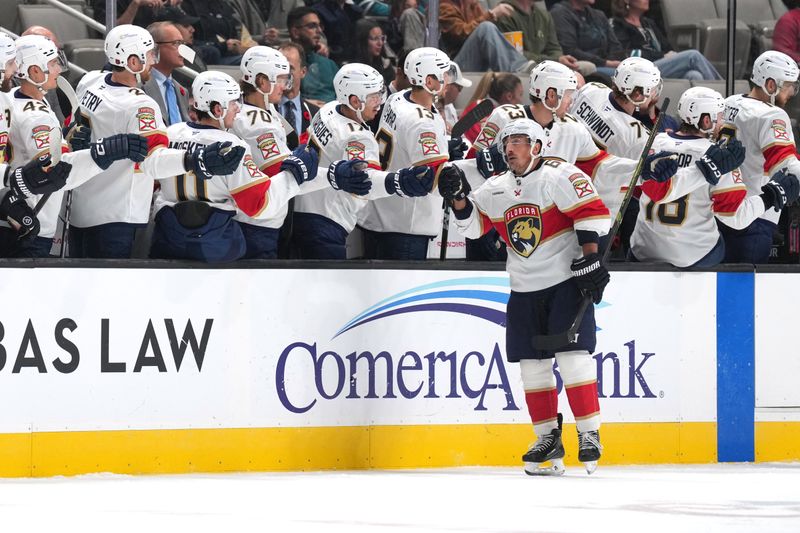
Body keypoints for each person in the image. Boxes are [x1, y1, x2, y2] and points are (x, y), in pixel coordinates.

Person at [441, 119, 611, 475]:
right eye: (507, 143)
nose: (509, 148)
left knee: (573, 358)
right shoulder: (495, 187)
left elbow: (594, 213)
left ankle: (589, 433)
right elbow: (473, 227)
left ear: (536, 145)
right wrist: (457, 197)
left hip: (563, 283)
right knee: (532, 367)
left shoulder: (559, 174)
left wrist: (591, 257)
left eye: (518, 141)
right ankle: (547, 438)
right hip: (522, 288)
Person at [70, 24, 243, 259]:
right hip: (118, 214)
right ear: (133, 61)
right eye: (150, 54)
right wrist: (195, 160)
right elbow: (152, 161)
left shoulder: (89, 81)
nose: (153, 60)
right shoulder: (140, 105)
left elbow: (73, 128)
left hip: (81, 207)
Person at [0, 35, 150, 258]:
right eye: (52, 64)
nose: (58, 70)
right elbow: (51, 175)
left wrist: (66, 144)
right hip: (32, 224)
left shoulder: (11, 99)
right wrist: (103, 152)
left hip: (14, 215)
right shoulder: (37, 118)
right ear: (34, 71)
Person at [152, 71, 318, 263]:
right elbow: (259, 204)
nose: (238, 109)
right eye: (233, 103)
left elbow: (152, 175)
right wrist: (294, 174)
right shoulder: (231, 146)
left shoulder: (171, 133)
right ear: (217, 109)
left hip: (167, 240)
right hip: (213, 247)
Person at [630, 87, 796, 268]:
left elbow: (637, 190)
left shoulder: (652, 142)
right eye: (720, 117)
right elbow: (736, 218)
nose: (722, 122)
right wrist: (772, 195)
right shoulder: (720, 158)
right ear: (706, 120)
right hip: (692, 257)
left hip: (642, 250)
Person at [293, 63, 435, 259]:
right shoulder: (358, 137)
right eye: (373, 97)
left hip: (300, 210)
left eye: (380, 94)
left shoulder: (328, 110)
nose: (379, 102)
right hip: (326, 223)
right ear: (354, 100)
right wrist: (398, 182)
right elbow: (363, 180)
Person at [358, 47, 455, 260]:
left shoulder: (398, 99)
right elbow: (433, 181)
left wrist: (445, 147)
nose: (448, 79)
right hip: (405, 228)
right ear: (429, 81)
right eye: (444, 73)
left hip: (378, 215)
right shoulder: (422, 123)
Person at [719, 50, 800, 263]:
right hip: (754, 216)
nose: (791, 92)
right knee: (743, 293)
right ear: (770, 85)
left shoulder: (729, 102)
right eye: (788, 86)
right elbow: (786, 166)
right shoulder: (772, 115)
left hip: (720, 210)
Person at [229, 46, 297, 259]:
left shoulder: (266, 110)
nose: (284, 87)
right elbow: (283, 171)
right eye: (280, 80)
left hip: (260, 218)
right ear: (261, 81)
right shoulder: (256, 123)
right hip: (256, 223)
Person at [610, 0, 721, 81]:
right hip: (640, 69)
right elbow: (628, 54)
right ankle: (724, 95)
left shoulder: (648, 23)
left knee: (694, 75)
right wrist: (662, 56)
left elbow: (667, 48)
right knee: (693, 55)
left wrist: (669, 55)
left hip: (660, 66)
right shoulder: (618, 24)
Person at [495, 0, 592, 75]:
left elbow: (554, 48)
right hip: (522, 66)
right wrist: (554, 60)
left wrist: (559, 58)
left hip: (546, 63)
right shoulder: (505, 12)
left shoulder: (544, 15)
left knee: (589, 67)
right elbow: (514, 54)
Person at [439, 0, 535, 73]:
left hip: (476, 59)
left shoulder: (471, 3)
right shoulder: (443, 6)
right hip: (455, 66)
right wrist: (492, 14)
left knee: (489, 29)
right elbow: (462, 33)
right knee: (486, 28)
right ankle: (516, 69)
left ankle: (517, 68)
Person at [550, 0, 627, 77]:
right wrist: (606, 63)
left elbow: (615, 45)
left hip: (606, 64)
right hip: (583, 65)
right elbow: (570, 50)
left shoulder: (599, 14)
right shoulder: (560, 13)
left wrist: (613, 61)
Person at [287, 7, 339, 103]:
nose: (319, 30)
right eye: (312, 26)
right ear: (295, 32)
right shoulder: (284, 63)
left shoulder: (329, 64)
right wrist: (305, 104)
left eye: (320, 26)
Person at [144, 22, 191, 126]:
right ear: (154, 47)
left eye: (183, 44)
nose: (182, 49)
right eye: (176, 43)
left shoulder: (182, 91)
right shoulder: (138, 86)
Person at [278, 42, 321, 147]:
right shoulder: (266, 109)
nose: (285, 73)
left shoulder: (315, 114)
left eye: (290, 68)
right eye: (280, 68)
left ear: (303, 72)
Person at [461, 72, 523, 144]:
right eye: (520, 94)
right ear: (509, 96)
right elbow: (484, 144)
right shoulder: (482, 110)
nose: (521, 100)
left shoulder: (491, 109)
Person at [312, 0, 364, 65]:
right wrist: (322, 44)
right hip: (332, 61)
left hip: (355, 61)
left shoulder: (356, 11)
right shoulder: (317, 11)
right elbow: (317, 36)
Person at [351, 19, 395, 85]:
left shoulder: (385, 64)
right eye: (375, 39)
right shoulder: (351, 70)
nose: (380, 43)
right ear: (363, 41)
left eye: (382, 38)